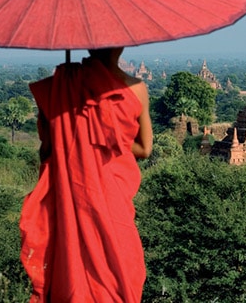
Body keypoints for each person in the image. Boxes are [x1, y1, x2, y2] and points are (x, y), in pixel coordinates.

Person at [20, 47, 153, 302]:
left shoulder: (59, 87)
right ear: (122, 46)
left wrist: (71, 129)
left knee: (71, 269)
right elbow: (145, 148)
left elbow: (47, 148)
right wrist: (112, 140)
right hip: (114, 201)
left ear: (89, 45)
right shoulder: (136, 88)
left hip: (71, 198)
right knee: (120, 272)